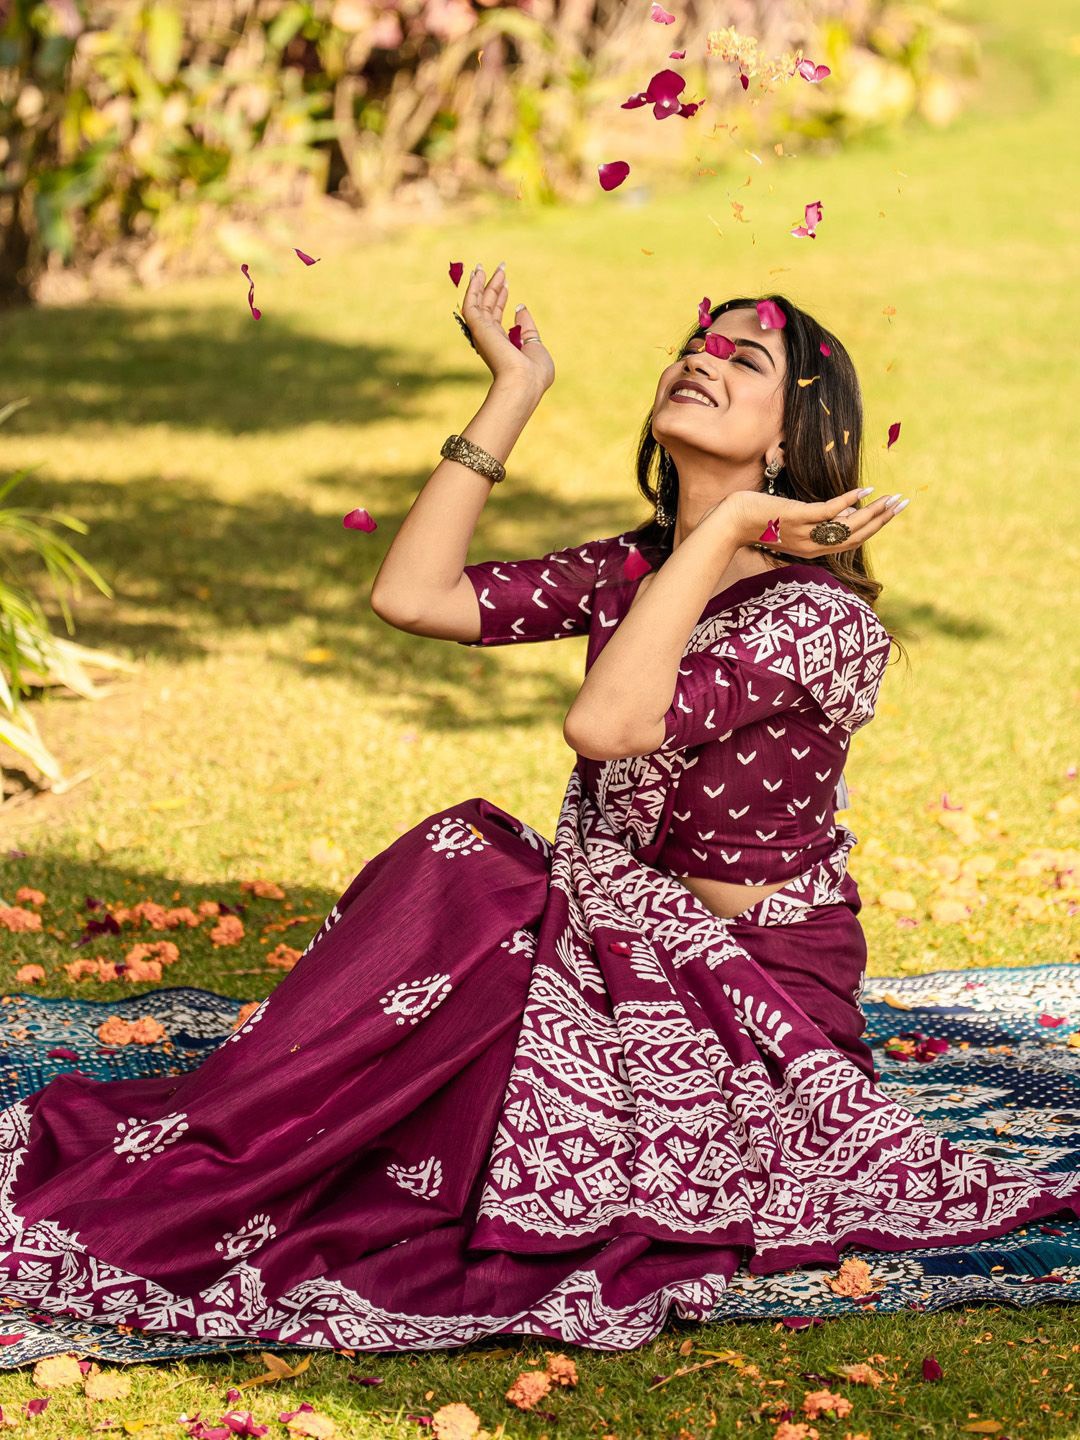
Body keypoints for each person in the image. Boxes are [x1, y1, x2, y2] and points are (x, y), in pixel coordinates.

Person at [0, 266, 1076, 1358]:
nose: (701, 357)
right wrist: (514, 389)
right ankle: (254, 1140)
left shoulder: (819, 620)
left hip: (746, 1000)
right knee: (463, 857)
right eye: (699, 343)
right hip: (604, 943)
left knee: (472, 897)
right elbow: (412, 596)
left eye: (744, 359)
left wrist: (734, 524)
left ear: (797, 440)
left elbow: (607, 727)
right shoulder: (635, 565)